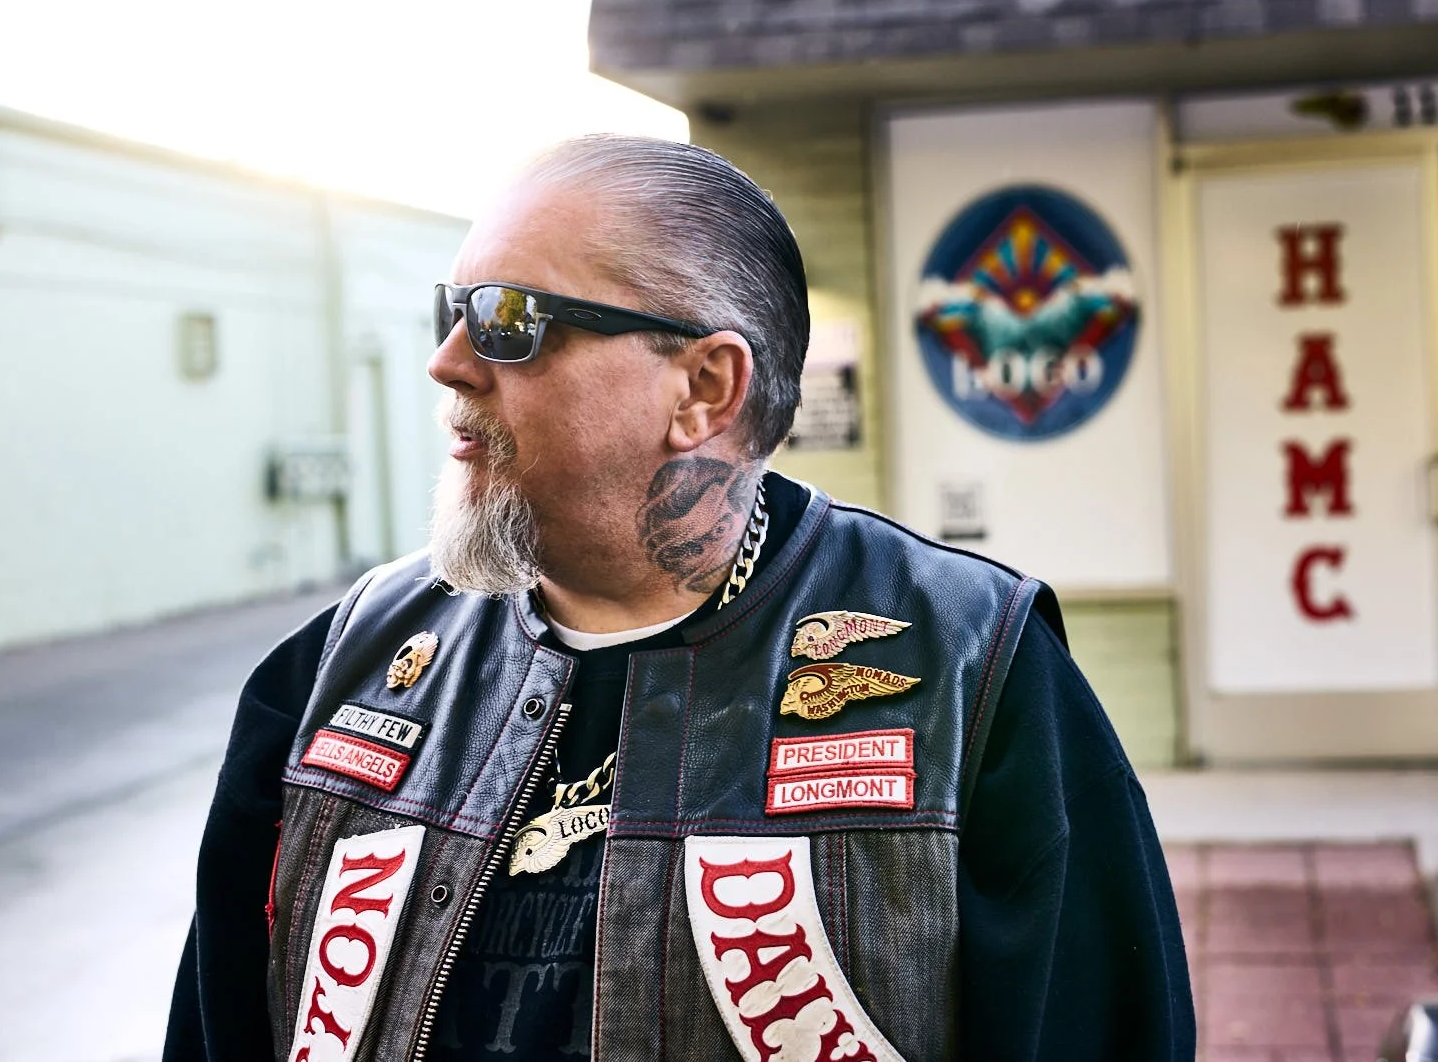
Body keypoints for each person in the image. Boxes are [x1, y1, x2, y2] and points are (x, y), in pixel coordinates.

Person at [164, 135, 1193, 1061]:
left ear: (703, 386)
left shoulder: (975, 666)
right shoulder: (333, 666)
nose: (448, 363)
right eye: (453, 311)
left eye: (508, 321)